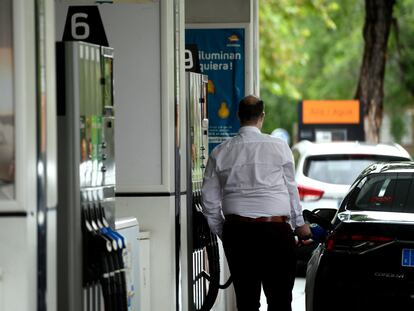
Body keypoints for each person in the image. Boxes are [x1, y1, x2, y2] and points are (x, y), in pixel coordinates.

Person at [201, 95, 312, 311]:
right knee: (280, 301)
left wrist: (226, 232)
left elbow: (209, 202)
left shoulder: (220, 152)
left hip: (238, 233)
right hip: (276, 233)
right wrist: (300, 225)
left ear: (238, 116)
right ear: (262, 116)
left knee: (246, 302)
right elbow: (291, 191)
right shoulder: (280, 147)